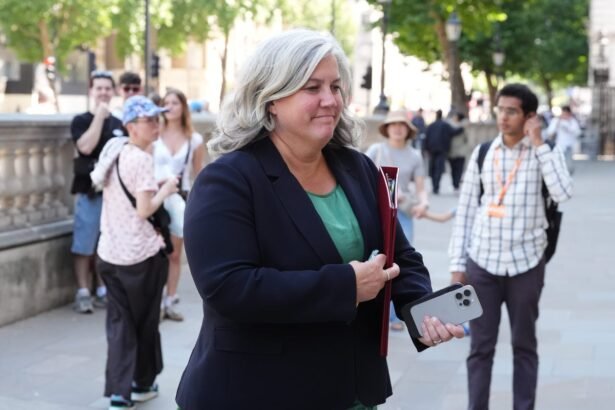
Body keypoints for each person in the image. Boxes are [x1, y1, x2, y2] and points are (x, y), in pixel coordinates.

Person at [175, 29, 464, 410]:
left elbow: (399, 257)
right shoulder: (227, 179)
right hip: (261, 392)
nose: (330, 100)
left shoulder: (359, 168)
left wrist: (420, 311)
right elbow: (228, 288)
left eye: (335, 86)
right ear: (271, 99)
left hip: (353, 390)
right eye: (312, 87)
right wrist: (346, 286)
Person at [449, 83, 572, 410]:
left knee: (524, 345)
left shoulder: (546, 152)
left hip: (526, 264)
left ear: (530, 116)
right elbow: (466, 211)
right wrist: (457, 266)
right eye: (500, 110)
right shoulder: (483, 153)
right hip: (482, 263)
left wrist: (539, 142)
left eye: (512, 111)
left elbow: (563, 193)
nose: (503, 117)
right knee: (480, 348)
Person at [96, 96, 178, 410]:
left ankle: (119, 393)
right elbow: (144, 210)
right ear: (131, 126)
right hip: (141, 256)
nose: (156, 125)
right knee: (144, 322)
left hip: (110, 254)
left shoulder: (115, 152)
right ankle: (142, 384)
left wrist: (155, 185)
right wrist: (166, 189)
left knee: (120, 323)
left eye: (158, 119)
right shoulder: (142, 158)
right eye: (149, 121)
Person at [365, 110, 430, 332]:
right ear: (387, 128)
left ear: (408, 130)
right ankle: (375, 309)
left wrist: (424, 203)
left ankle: (393, 315)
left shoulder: (415, 155)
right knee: (376, 258)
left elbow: (420, 188)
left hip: (403, 213)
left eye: (402, 125)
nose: (397, 128)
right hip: (376, 210)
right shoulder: (376, 150)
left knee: (400, 260)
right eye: (393, 124)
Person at [70, 70, 125, 314]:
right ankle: (83, 291)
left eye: (107, 88)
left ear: (113, 91)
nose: (103, 92)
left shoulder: (120, 123)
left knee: (108, 244)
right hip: (89, 192)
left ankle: (103, 289)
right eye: (99, 88)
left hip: (115, 195)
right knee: (84, 243)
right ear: (91, 91)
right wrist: (99, 117)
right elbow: (85, 147)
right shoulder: (81, 120)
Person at [153, 88, 205, 321]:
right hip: (155, 197)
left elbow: (198, 173)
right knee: (155, 252)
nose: (170, 107)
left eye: (175, 102)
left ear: (183, 107)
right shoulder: (154, 134)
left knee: (174, 253)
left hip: (180, 198)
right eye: (166, 103)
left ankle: (170, 299)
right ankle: (155, 300)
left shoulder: (194, 139)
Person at [424, 109, 463, 194]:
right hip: (442, 150)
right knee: (438, 168)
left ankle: (434, 186)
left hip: (432, 149)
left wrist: (426, 149)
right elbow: (454, 132)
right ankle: (436, 187)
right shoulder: (445, 125)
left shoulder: (431, 125)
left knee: (433, 168)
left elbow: (426, 138)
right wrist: (462, 127)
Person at [546, 105, 581, 174]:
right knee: (558, 164)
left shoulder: (572, 121)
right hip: (559, 145)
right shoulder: (556, 121)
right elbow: (550, 132)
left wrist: (568, 128)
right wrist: (557, 124)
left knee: (569, 166)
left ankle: (567, 176)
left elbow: (578, 132)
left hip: (569, 145)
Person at [447, 111, 469, 192]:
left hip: (457, 151)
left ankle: (455, 184)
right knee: (456, 169)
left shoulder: (450, 126)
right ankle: (455, 184)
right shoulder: (464, 127)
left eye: (455, 116)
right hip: (456, 151)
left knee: (456, 169)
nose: (454, 118)